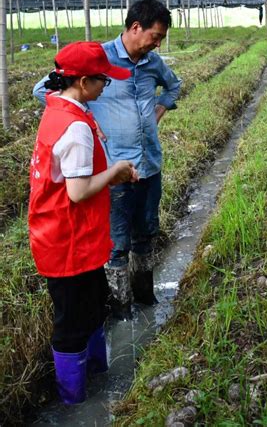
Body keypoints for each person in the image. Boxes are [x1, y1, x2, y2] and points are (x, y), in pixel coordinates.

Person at [34, 0, 182, 320]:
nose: (157, 43)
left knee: (146, 232)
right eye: (155, 36)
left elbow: (174, 85)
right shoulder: (96, 60)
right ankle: (120, 310)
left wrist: (159, 109)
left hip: (149, 165)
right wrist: (82, 114)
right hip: (113, 171)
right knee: (116, 244)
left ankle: (145, 298)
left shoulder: (153, 63)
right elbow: (42, 90)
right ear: (135, 27)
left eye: (160, 39)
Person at [29, 41, 138, 405]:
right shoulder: (74, 126)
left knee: (92, 307)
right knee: (71, 324)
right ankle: (74, 400)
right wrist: (116, 172)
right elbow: (77, 192)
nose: (106, 87)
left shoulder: (59, 108)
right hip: (67, 240)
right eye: (103, 81)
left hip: (69, 234)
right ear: (83, 81)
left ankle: (94, 379)